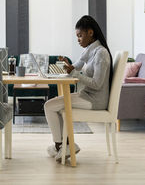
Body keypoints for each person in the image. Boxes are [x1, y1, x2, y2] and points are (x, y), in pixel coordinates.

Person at [44, 15, 113, 162]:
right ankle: (64, 145)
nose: (78, 40)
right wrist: (68, 66)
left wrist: (74, 73)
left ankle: (60, 145)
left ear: (90, 33)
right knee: (54, 106)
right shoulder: (90, 50)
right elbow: (77, 65)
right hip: (87, 95)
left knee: (49, 106)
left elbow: (97, 84)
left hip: (95, 100)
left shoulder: (101, 53)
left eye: (80, 36)